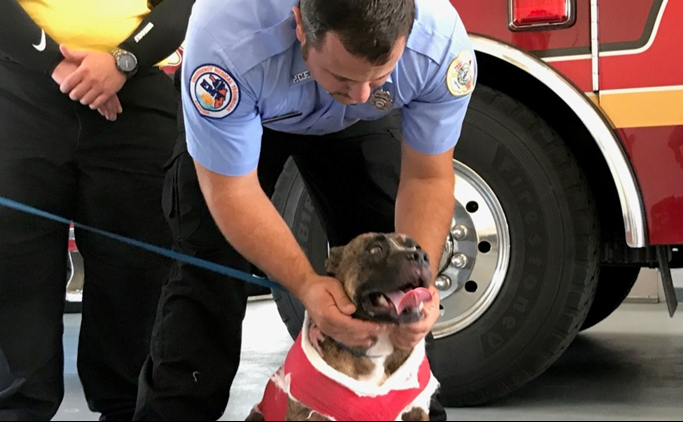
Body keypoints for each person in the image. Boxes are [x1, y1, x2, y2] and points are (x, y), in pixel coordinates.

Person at [134, 0, 477, 420]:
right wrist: (306, 285)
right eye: (344, 75)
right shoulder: (228, 35)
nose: (361, 93)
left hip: (355, 126)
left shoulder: (439, 45)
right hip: (250, 108)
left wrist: (416, 289)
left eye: (381, 75)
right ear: (300, 26)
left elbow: (427, 177)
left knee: (390, 271)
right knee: (206, 267)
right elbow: (231, 191)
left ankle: (417, 408)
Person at [0, 0, 193, 420]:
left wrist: (122, 62)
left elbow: (183, 5)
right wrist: (57, 64)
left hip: (134, 89)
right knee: (15, 268)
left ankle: (128, 406)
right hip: (18, 84)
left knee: (136, 273)